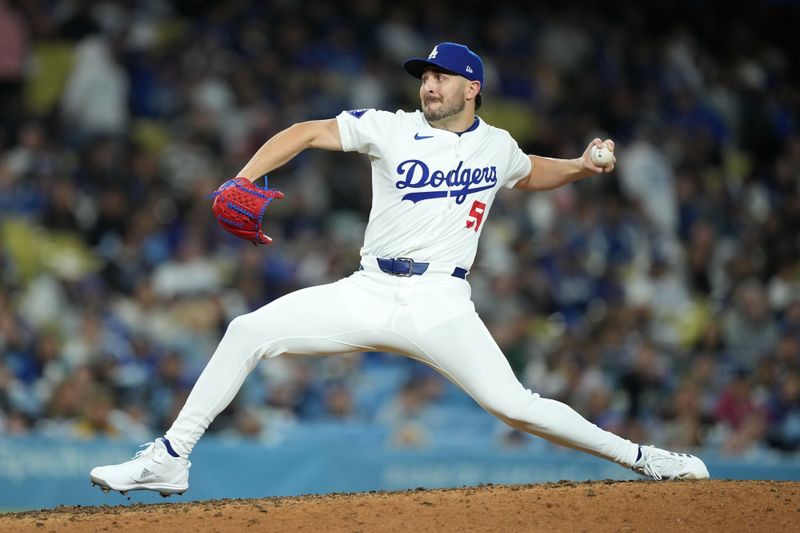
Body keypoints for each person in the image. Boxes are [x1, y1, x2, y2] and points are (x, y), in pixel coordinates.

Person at [90, 42, 709, 496]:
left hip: (441, 303)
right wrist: (244, 177)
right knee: (247, 331)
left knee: (515, 405)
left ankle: (643, 457)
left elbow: (530, 171)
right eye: (425, 76)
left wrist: (579, 164)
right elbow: (307, 132)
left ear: (473, 89)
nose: (429, 84)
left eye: (442, 76)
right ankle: (171, 457)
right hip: (370, 287)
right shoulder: (389, 129)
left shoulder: (497, 146)